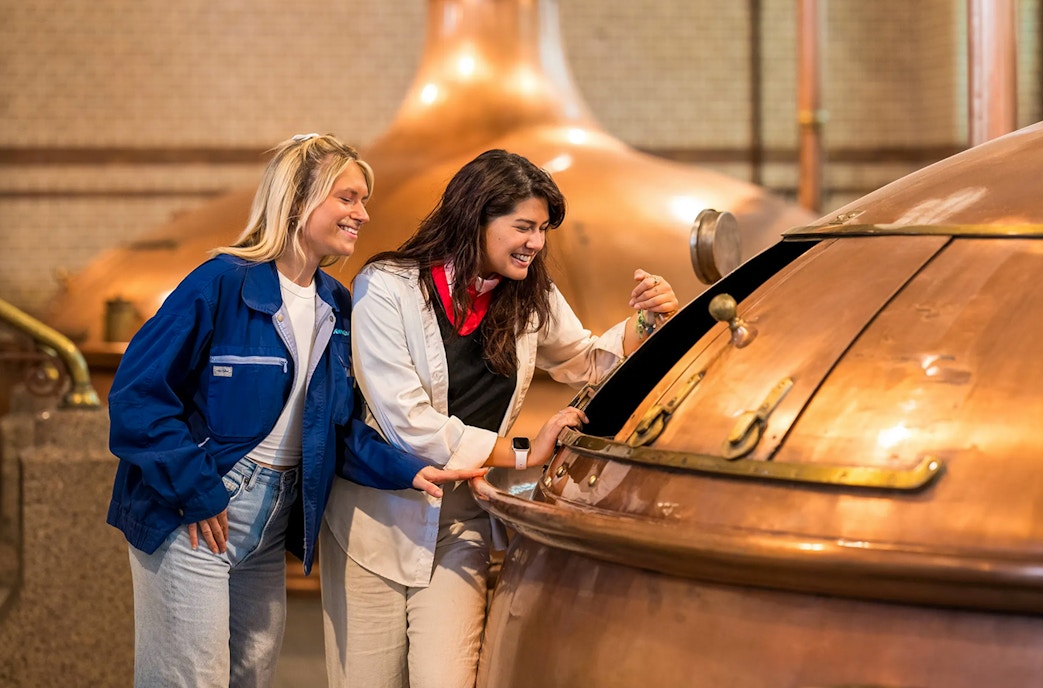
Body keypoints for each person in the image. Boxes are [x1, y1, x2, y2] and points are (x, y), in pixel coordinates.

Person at [106, 133, 484, 688]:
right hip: (196, 510)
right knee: (192, 680)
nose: (363, 213)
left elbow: (336, 427)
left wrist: (407, 468)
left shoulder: (337, 303)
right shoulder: (222, 282)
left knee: (251, 677)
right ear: (298, 198)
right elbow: (138, 395)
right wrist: (196, 490)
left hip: (271, 520)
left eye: (363, 200)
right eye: (348, 197)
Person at [320, 148, 679, 688]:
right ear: (476, 218)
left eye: (542, 230)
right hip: (373, 525)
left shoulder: (530, 294)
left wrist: (649, 322)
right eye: (523, 226)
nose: (536, 242)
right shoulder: (387, 285)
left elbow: (586, 361)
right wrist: (521, 453)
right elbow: (408, 423)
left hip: (460, 523)